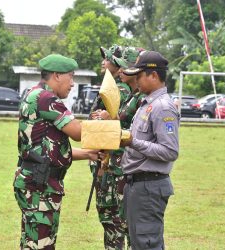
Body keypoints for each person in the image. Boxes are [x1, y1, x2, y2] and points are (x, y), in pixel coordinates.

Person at [14, 54, 103, 250]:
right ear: (56, 76)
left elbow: (52, 150)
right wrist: (104, 121)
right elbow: (78, 132)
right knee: (41, 245)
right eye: (70, 77)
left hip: (37, 179)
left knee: (33, 243)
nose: (72, 83)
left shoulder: (33, 93)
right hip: (40, 185)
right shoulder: (47, 98)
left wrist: (88, 154)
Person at [120, 51, 180, 250]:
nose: (135, 80)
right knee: (140, 243)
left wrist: (132, 142)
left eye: (139, 75)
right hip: (139, 185)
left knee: (147, 244)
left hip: (149, 186)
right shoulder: (147, 104)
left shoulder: (162, 107)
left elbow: (170, 151)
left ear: (154, 76)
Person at [95, 46, 145, 249]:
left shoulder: (140, 97)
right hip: (115, 163)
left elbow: (130, 131)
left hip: (126, 166)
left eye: (126, 67)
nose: (122, 71)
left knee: (126, 223)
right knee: (113, 219)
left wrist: (110, 119)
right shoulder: (133, 95)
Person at [88, 44, 132, 250]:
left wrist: (107, 117)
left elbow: (116, 123)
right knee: (112, 217)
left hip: (113, 162)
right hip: (106, 159)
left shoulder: (119, 89)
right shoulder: (112, 87)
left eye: (106, 59)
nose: (103, 62)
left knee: (113, 217)